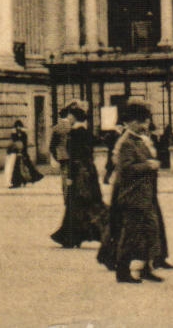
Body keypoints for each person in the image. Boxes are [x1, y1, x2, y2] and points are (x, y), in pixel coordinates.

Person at [102, 103, 165, 284]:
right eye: (142, 122)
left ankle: (146, 268)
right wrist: (149, 165)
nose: (145, 125)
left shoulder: (138, 140)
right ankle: (123, 271)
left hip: (144, 195)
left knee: (150, 232)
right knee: (131, 234)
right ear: (132, 122)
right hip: (132, 196)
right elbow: (126, 169)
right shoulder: (126, 142)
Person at [51, 102, 106, 249]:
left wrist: (70, 177)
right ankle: (98, 232)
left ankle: (71, 236)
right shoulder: (87, 133)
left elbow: (73, 157)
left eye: (71, 115)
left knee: (75, 204)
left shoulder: (74, 134)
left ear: (74, 117)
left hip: (78, 172)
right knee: (92, 202)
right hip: (89, 172)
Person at [6, 119, 43, 187]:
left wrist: (22, 152)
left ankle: (28, 179)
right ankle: (18, 182)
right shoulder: (14, 134)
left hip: (23, 153)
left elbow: (24, 144)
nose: (18, 128)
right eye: (17, 126)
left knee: (27, 167)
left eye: (19, 126)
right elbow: (14, 142)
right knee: (17, 168)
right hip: (17, 154)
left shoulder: (23, 134)